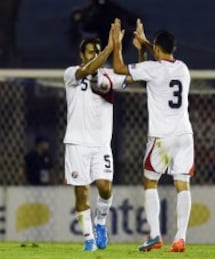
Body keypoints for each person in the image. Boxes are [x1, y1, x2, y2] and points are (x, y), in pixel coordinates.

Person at [112, 18, 194, 253]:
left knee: (150, 182)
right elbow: (161, 61)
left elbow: (119, 69)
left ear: (157, 50)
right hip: (184, 135)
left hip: (162, 138)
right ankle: (180, 239)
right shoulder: (183, 68)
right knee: (182, 185)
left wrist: (117, 44)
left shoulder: (153, 68)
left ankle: (155, 235)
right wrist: (146, 43)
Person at [63, 30, 131, 251]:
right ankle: (89, 239)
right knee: (81, 192)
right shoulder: (72, 73)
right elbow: (89, 70)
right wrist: (110, 49)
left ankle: (100, 223)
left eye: (97, 52)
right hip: (76, 143)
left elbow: (135, 77)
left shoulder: (109, 76)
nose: (94, 56)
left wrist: (135, 52)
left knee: (104, 187)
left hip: (101, 144)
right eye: (91, 52)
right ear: (81, 55)